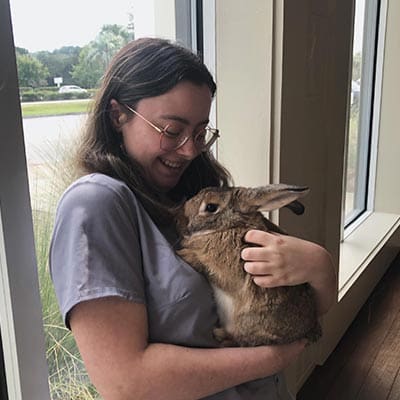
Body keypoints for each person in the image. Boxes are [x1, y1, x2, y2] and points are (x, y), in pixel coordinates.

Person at [50, 37, 336, 400]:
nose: (189, 149)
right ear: (117, 114)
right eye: (171, 131)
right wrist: (273, 357)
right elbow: (125, 382)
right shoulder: (96, 205)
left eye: (201, 133)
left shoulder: (196, 191)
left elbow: (289, 310)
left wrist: (319, 269)